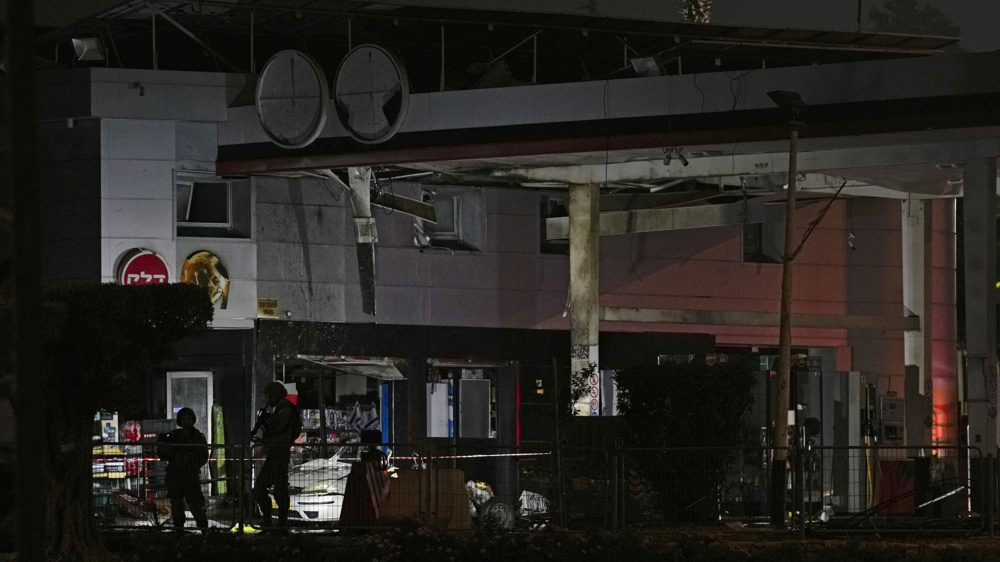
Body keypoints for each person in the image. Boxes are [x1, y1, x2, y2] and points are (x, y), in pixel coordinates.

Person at [252, 381, 300, 528]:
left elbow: (280, 432)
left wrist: (265, 428)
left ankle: (278, 525)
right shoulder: (280, 409)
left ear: (275, 396)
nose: (267, 400)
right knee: (269, 489)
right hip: (276, 454)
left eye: (269, 397)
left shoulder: (285, 410)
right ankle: (274, 524)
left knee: (274, 490)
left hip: (279, 454)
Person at [158, 407, 209, 532]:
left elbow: (203, 456)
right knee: (177, 505)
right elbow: (163, 454)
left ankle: (205, 531)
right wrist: (163, 446)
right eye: (183, 418)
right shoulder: (174, 435)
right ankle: (179, 531)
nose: (186, 420)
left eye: (189, 417)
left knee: (195, 504)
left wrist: (191, 462)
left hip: (190, 475)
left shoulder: (198, 437)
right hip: (175, 475)